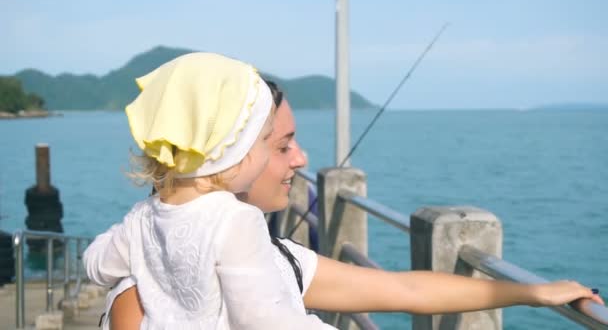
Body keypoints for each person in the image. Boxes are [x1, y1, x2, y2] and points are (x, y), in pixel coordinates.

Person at [98, 76, 604, 329]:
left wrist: (529, 293)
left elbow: (407, 290)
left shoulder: (280, 259)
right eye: (281, 145)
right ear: (230, 158)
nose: (301, 158)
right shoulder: (141, 292)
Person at [83, 53, 337, 329]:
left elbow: (96, 265)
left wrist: (110, 239)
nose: (268, 153)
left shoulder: (141, 218)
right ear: (233, 151)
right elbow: (268, 319)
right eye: (265, 140)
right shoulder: (236, 220)